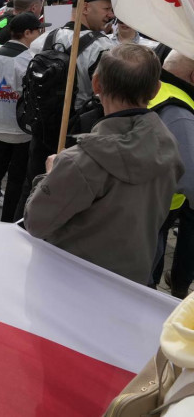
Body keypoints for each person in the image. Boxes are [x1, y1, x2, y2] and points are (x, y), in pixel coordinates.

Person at [25, 44, 183, 285]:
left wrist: (49, 175)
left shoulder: (79, 162)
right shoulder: (170, 147)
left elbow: (36, 222)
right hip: (132, 279)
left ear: (96, 84)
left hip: (73, 282)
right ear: (155, 89)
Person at [17, 0, 114, 219]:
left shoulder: (44, 39)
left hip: (40, 128)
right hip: (76, 136)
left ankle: (21, 227)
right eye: (106, 8)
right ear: (86, 8)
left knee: (32, 185)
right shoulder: (104, 48)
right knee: (65, 198)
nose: (111, 15)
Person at [0, 13, 45, 220]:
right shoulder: (28, 60)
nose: (40, 35)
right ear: (27, 33)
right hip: (19, 130)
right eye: (38, 31)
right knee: (15, 176)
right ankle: (6, 220)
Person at [150, 50, 194, 297]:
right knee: (150, 268)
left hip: (151, 201)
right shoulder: (181, 111)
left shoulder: (155, 87)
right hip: (161, 206)